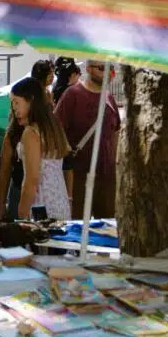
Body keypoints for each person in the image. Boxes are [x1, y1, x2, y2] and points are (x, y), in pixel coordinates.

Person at [55, 60, 121, 220]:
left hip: (107, 179)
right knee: (77, 231)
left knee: (107, 230)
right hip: (79, 178)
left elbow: (116, 134)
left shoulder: (109, 98)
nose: (107, 72)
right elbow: (56, 130)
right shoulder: (73, 95)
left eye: (110, 69)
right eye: (101, 68)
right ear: (88, 69)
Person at [11, 76, 72, 220]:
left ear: (30, 100)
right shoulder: (53, 126)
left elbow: (32, 178)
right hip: (59, 201)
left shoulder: (31, 132)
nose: (14, 108)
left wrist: (22, 210)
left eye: (16, 102)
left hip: (41, 205)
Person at [0, 109, 24, 221]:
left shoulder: (46, 130)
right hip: (18, 190)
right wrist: (1, 204)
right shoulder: (11, 136)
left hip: (41, 191)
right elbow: (5, 173)